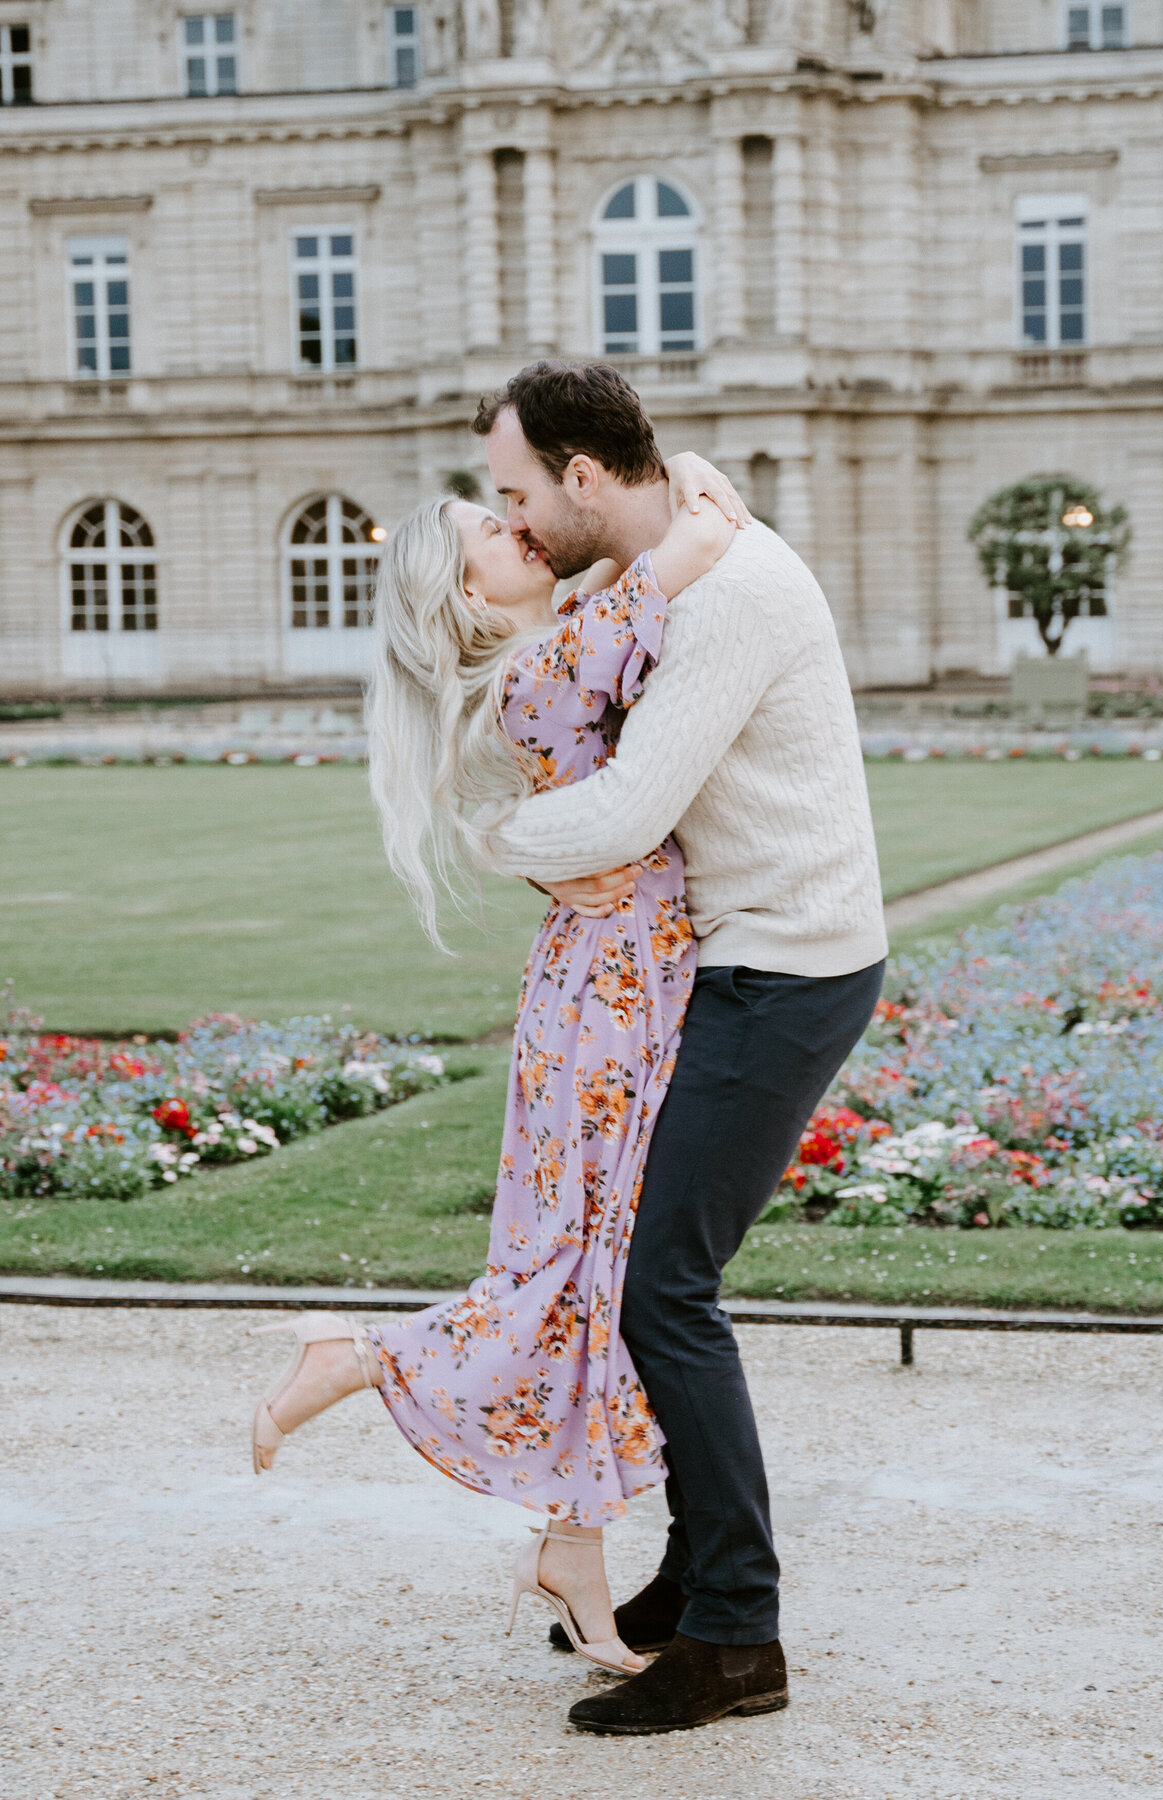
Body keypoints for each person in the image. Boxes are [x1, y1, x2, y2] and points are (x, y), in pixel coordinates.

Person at [248, 447, 748, 1679]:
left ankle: (575, 1544)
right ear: (472, 597)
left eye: (513, 506)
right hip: (612, 995)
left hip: (613, 977)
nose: (521, 525)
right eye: (495, 527)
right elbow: (707, 533)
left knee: (596, 1265)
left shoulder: (557, 644)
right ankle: (360, 1359)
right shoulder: (550, 665)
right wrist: (671, 468)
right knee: (581, 1257)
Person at [471, 360, 888, 1735]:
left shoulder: (731, 597)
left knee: (663, 1285)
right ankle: (704, 1573)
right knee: (652, 1274)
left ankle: (741, 1637)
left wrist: (474, 840)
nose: (511, 523)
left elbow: (624, 811)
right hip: (734, 960)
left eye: (518, 493)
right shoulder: (669, 559)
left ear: (588, 478)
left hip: (790, 967)